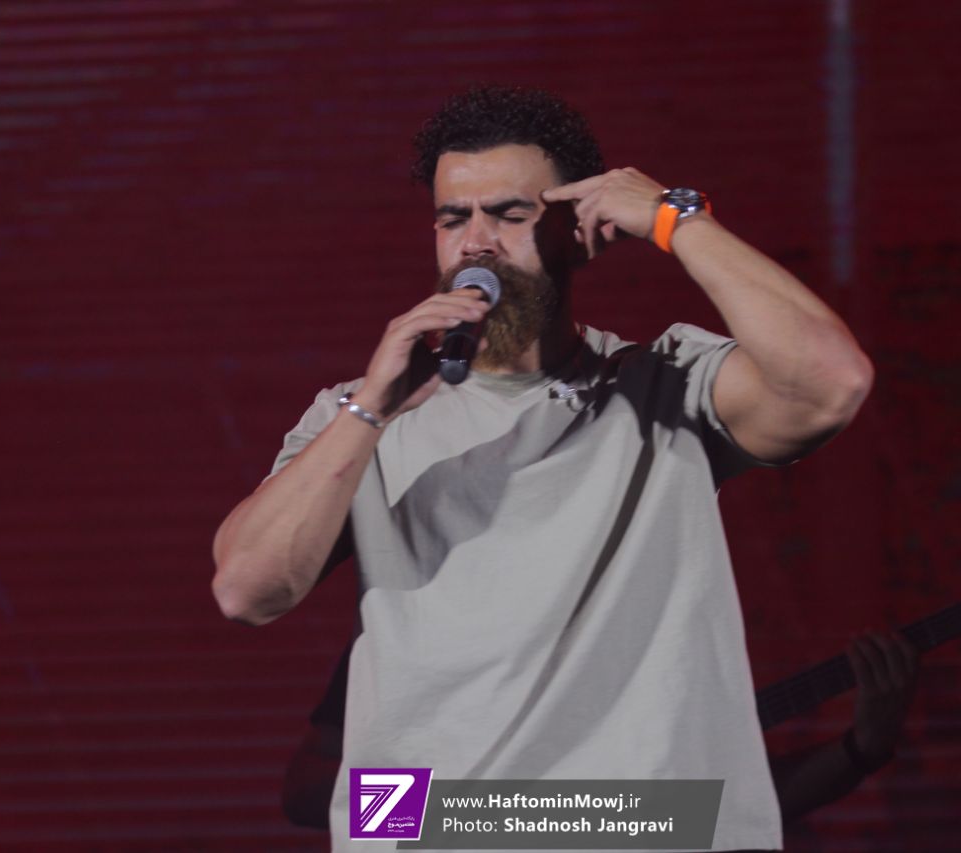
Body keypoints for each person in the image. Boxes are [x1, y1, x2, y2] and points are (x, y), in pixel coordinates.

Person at [211, 84, 874, 852]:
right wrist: (372, 409)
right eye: (453, 218)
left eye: (509, 214)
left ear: (576, 230)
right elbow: (245, 590)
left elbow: (831, 382)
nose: (476, 242)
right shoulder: (359, 411)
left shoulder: (662, 385)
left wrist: (675, 218)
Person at [280, 633, 920, 831]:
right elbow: (311, 793)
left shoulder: (643, 636)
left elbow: (724, 808)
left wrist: (861, 749)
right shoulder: (410, 637)